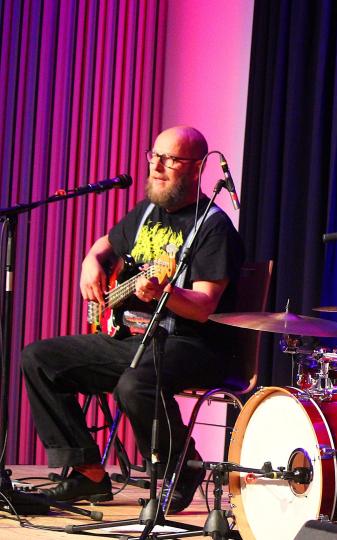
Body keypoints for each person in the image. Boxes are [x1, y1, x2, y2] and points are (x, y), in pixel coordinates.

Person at [21, 126, 245, 514]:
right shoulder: (145, 213)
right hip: (134, 339)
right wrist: (90, 262)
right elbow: (105, 246)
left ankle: (182, 468)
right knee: (39, 358)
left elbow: (204, 306)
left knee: (135, 383)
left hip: (193, 344)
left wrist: (164, 293)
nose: (156, 166)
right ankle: (88, 473)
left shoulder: (213, 227)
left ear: (196, 169)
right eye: (154, 156)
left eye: (169, 159)